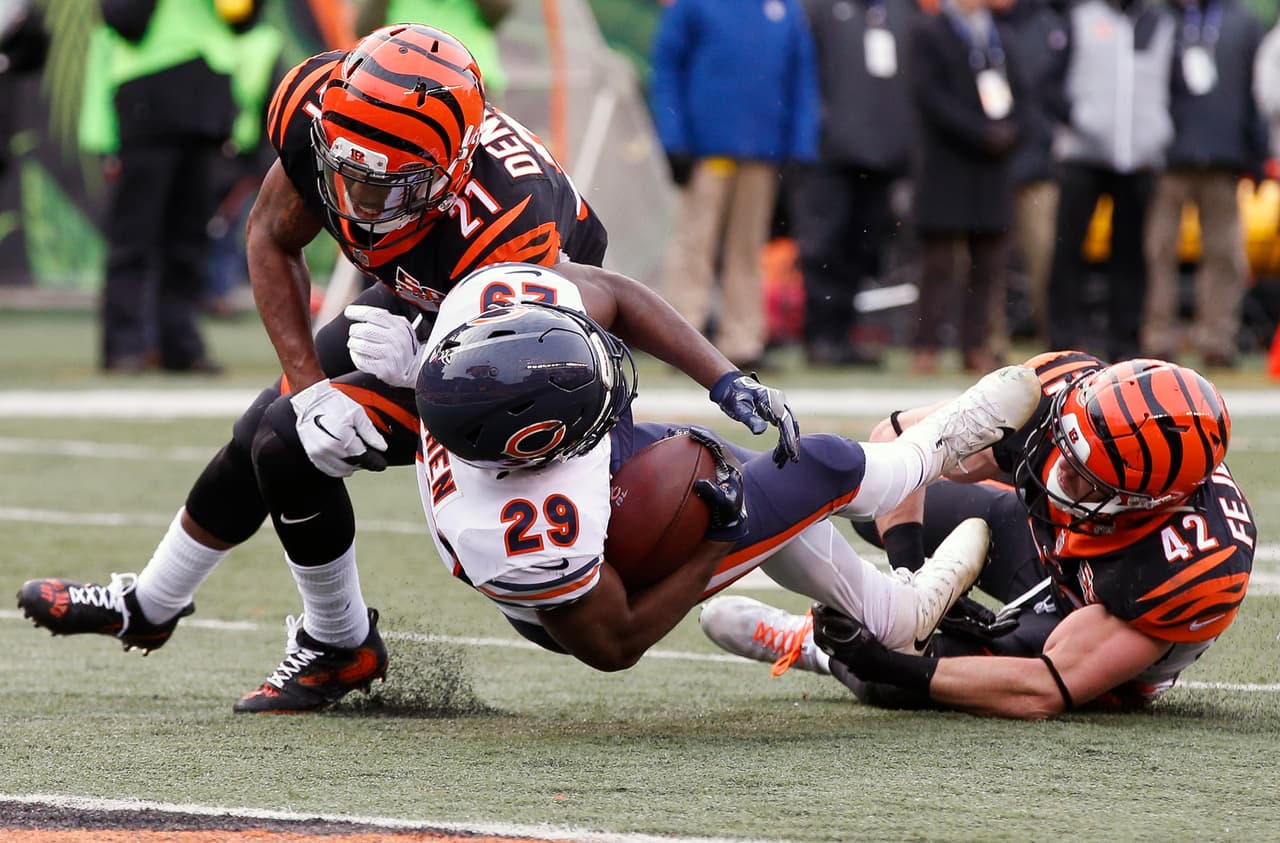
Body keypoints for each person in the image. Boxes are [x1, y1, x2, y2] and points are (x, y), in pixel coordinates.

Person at [17, 24, 609, 713]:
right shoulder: (321, 108)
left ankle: (339, 645)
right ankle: (151, 602)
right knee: (272, 422)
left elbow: (531, 372)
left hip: (524, 329)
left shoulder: (512, 226)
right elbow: (271, 232)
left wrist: (424, 368)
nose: (356, 204)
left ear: (448, 176)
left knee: (286, 441)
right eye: (346, 174)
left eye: (384, 186)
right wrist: (310, 385)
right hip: (423, 282)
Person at [411, 260, 1044, 670]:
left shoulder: (476, 328)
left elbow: (617, 295)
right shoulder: (527, 534)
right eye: (594, 398)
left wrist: (725, 380)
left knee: (743, 470)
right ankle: (935, 446)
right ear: (538, 445)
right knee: (815, 464)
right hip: (598, 590)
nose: (618, 387)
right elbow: (615, 644)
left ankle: (890, 616)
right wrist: (714, 545)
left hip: (582, 470)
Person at [701, 351, 1254, 719]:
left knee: (891, 678)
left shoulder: (1193, 564)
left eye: (1086, 480)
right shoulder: (1058, 392)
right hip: (1051, 549)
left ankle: (813, 648)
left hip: (1088, 623)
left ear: (1145, 501)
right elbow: (899, 436)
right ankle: (901, 600)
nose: (1061, 472)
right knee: (878, 504)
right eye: (1069, 449)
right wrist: (909, 580)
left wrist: (898, 662)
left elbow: (1045, 685)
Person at [83, 0, 257, 373]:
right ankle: (125, 344)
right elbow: (124, 19)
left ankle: (179, 344)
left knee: (190, 238)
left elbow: (244, 18)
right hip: (148, 91)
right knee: (135, 236)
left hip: (204, 96)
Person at [648, 0, 821, 369]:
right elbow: (666, 69)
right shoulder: (693, 6)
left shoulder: (784, 9)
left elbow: (802, 78)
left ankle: (743, 340)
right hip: (705, 150)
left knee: (748, 249)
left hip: (762, 149)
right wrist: (674, 139)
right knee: (695, 244)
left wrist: (800, 147)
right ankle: (680, 341)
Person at [787, 0, 918, 368]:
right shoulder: (819, 10)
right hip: (829, 153)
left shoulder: (899, 11)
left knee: (862, 250)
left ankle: (845, 335)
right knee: (824, 246)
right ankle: (821, 335)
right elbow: (802, 73)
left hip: (882, 154)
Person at [1044, 0, 1176, 362]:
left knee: (1131, 254)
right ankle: (1065, 339)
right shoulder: (1082, 17)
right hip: (1082, 155)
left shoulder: (1160, 22)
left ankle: (1125, 342)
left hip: (1139, 157)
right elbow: (1049, 82)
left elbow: (1177, 87)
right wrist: (1080, 118)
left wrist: (1158, 132)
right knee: (1070, 248)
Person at [1142, 0, 1267, 371]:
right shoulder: (1159, 17)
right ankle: (1158, 338)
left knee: (1225, 253)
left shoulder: (1241, 21)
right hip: (1167, 155)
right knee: (1158, 249)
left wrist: (1256, 154)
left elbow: (1254, 89)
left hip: (1223, 155)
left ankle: (1217, 338)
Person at [906, 0, 1026, 374]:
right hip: (946, 161)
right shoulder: (929, 31)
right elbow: (928, 95)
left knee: (988, 262)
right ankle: (926, 344)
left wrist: (1011, 130)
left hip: (991, 166)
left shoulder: (1000, 36)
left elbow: (1021, 91)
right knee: (939, 262)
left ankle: (975, 344)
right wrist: (978, 132)